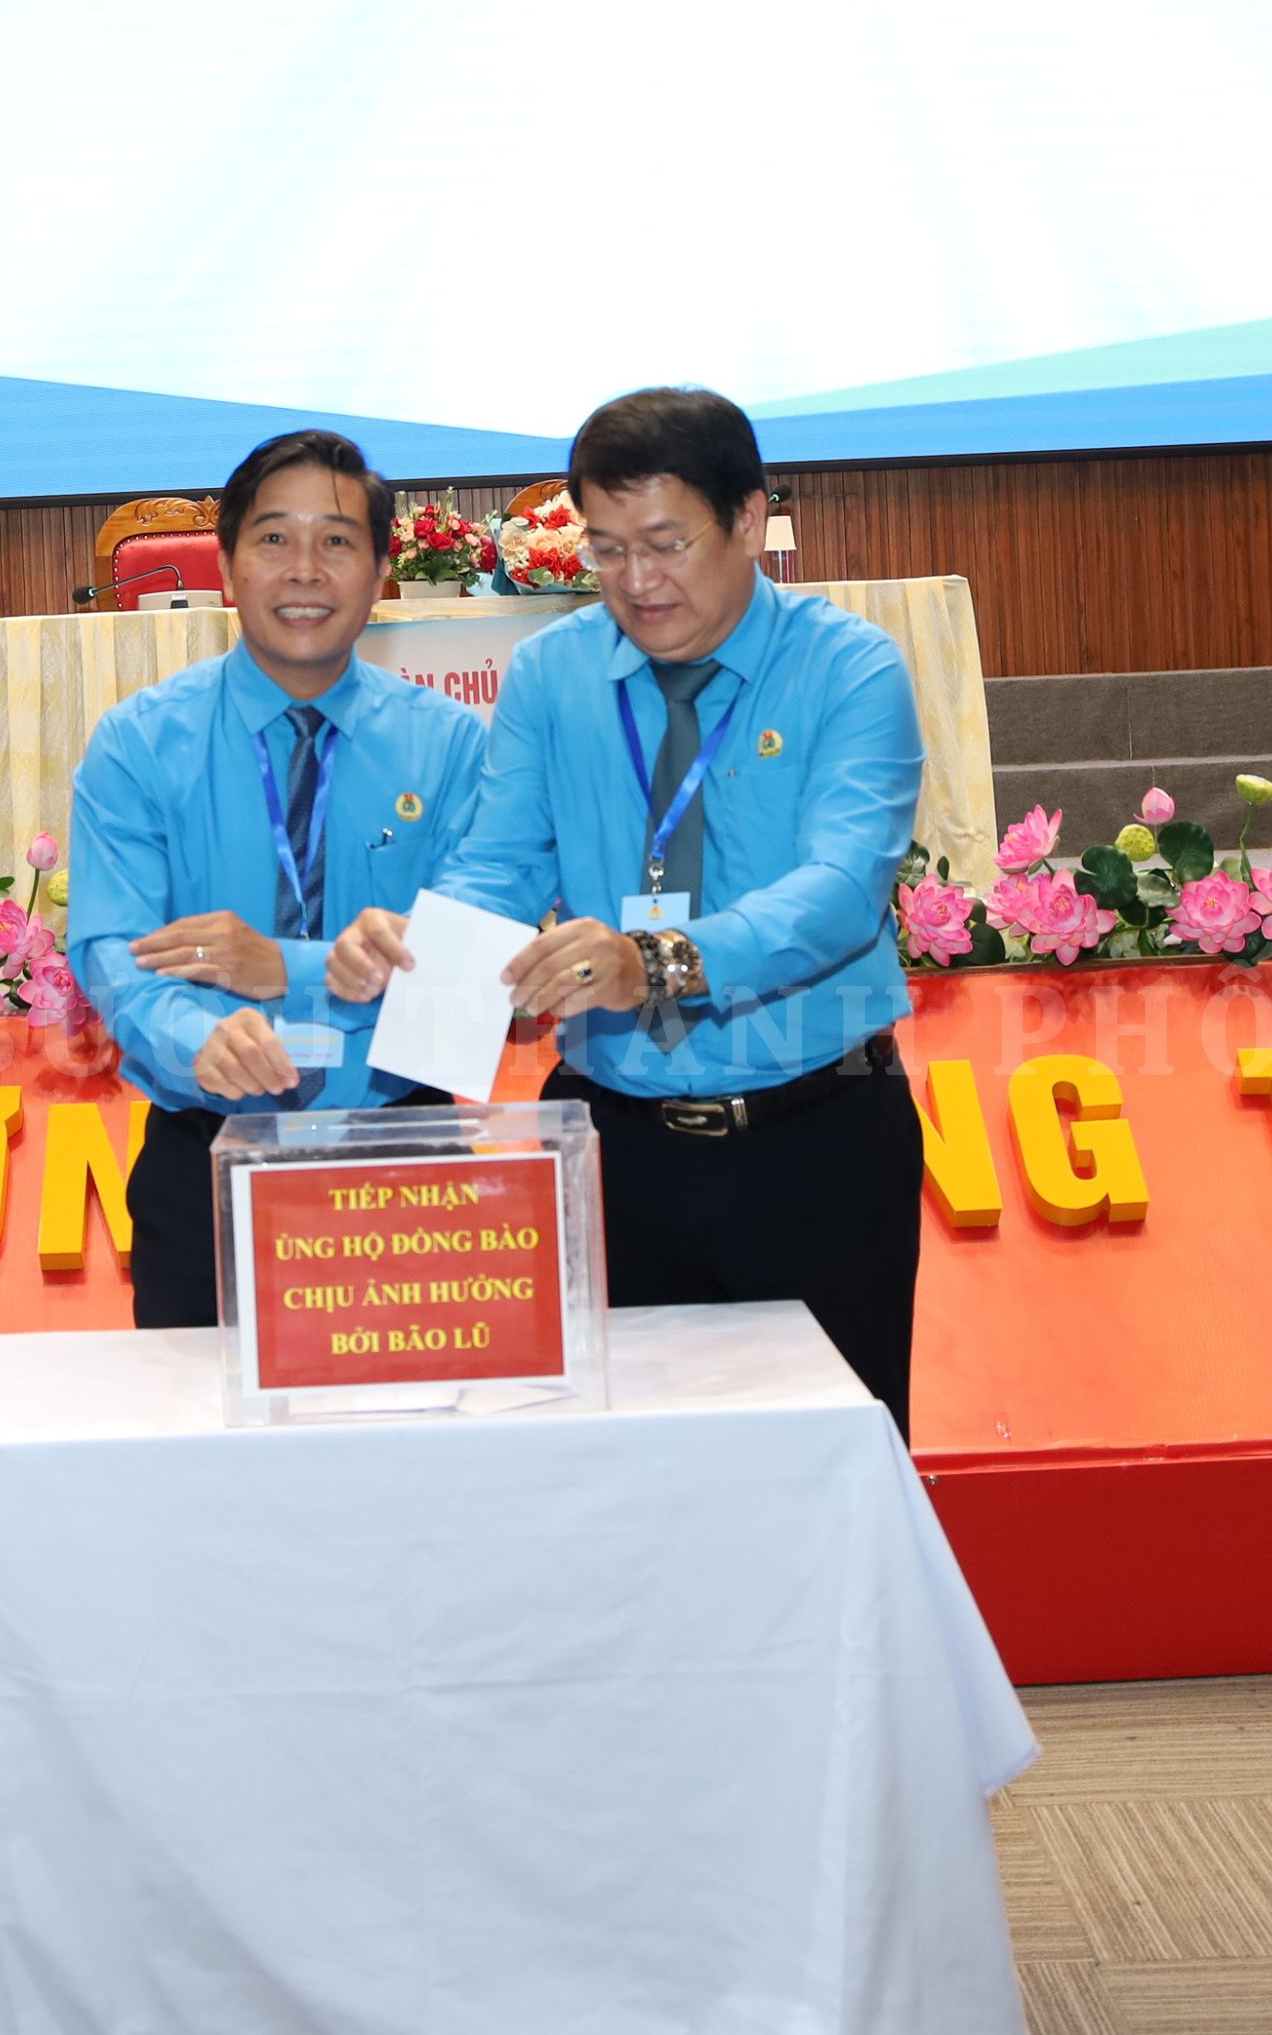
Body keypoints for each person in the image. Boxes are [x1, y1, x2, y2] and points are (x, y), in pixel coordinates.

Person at [328, 388, 929, 1429]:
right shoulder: (553, 674)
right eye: (606, 552)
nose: (637, 583)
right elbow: (500, 864)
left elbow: (840, 892)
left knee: (828, 1473)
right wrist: (429, 947)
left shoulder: (848, 669)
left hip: (818, 1140)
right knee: (625, 1482)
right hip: (615, 1150)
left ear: (749, 519)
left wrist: (655, 960)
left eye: (665, 545)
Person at [68, 430, 491, 1328]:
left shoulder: (452, 747)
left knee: (419, 1417)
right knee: (202, 1419)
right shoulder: (139, 744)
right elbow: (113, 951)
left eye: (336, 541)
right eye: (273, 539)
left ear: (380, 574)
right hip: (206, 1161)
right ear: (226, 567)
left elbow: (467, 978)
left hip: (403, 1156)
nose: (304, 569)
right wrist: (198, 1038)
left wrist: (283, 970)